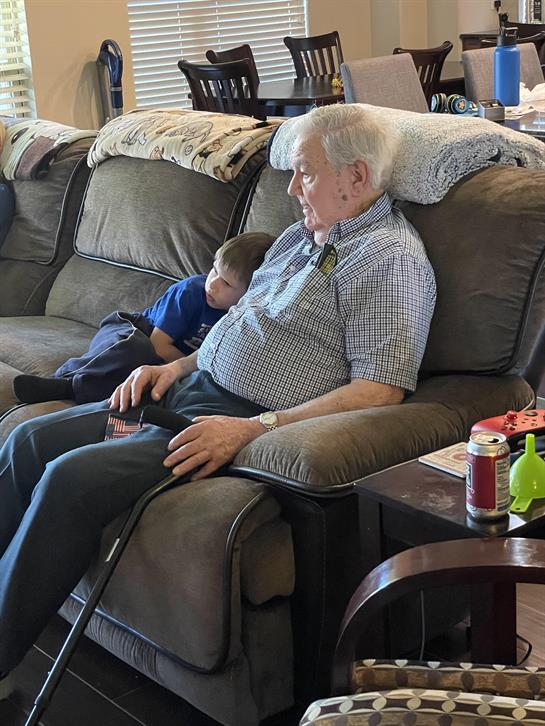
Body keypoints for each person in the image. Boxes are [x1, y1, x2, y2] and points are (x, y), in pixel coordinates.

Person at [0, 103, 436, 696]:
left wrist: (256, 428)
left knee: (69, 479)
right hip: (183, 391)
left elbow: (381, 388)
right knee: (28, 437)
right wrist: (172, 366)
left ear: (355, 177)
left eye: (305, 172)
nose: (292, 187)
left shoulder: (389, 259)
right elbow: (234, 327)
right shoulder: (298, 237)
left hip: (225, 421)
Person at [12, 232, 274, 405]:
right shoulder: (191, 291)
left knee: (151, 387)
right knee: (136, 351)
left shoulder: (240, 319)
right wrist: (191, 366)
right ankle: (63, 381)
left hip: (160, 361)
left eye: (226, 283)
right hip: (133, 331)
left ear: (250, 293)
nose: (213, 284)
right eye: (214, 270)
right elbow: (159, 345)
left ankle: (87, 396)